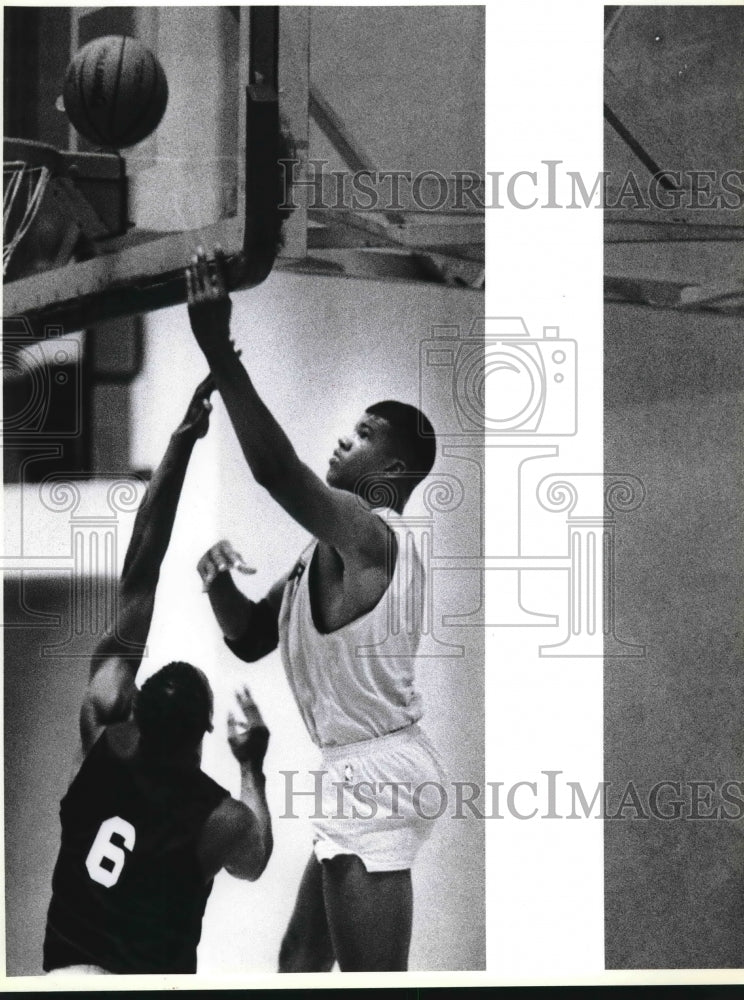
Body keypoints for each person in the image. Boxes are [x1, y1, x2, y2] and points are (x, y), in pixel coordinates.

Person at [186, 248, 445, 972]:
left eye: (364, 435)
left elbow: (275, 470)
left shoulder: (373, 533)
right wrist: (216, 584)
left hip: (375, 772)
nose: (343, 436)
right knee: (298, 965)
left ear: (391, 472)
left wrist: (219, 352)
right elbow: (247, 640)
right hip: (362, 767)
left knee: (371, 984)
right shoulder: (322, 548)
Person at [43, 375, 273, 976]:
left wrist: (181, 441)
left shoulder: (102, 731)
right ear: (205, 733)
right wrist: (251, 765)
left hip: (63, 978)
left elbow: (143, 561)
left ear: (136, 709)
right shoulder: (218, 817)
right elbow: (255, 859)